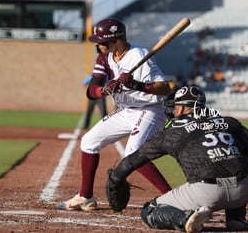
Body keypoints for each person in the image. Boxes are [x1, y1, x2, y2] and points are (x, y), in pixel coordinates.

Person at [107, 85, 248, 232]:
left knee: (149, 211)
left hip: (207, 193)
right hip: (246, 189)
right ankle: (236, 217)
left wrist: (115, 178)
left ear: (181, 108)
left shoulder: (172, 131)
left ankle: (186, 219)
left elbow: (134, 160)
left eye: (175, 106)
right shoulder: (227, 122)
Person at [57, 18, 172, 211]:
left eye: (101, 41)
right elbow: (92, 88)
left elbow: (164, 88)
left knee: (132, 154)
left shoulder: (139, 56)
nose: (97, 45)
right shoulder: (104, 57)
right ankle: (86, 197)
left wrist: (137, 85)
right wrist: (103, 90)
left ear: (116, 41)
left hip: (149, 110)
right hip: (126, 110)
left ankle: (172, 197)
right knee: (89, 141)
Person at [82, 47, 108, 129]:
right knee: (89, 111)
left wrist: (104, 91)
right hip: (93, 96)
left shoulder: (104, 76)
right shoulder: (91, 76)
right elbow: (84, 83)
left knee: (103, 111)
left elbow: (108, 84)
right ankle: (85, 126)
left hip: (100, 96)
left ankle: (106, 126)